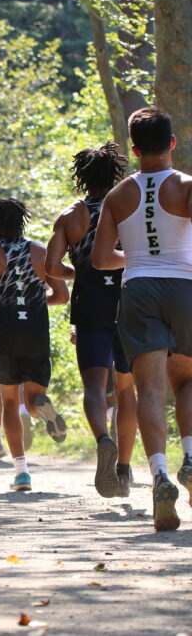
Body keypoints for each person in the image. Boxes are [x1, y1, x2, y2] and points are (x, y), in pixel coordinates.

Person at [92, 106, 192, 531]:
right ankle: (190, 458)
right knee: (186, 382)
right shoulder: (186, 186)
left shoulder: (117, 196)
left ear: (134, 149)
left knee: (149, 390)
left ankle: (159, 476)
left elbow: (100, 260)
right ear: (172, 143)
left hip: (137, 291)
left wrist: (137, 257)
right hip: (185, 288)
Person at [45, 143, 138, 498]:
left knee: (95, 387)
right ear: (115, 173)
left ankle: (103, 439)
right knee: (127, 389)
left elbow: (52, 268)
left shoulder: (70, 216)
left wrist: (80, 273)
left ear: (80, 176)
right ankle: (125, 471)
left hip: (90, 305)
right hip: (129, 301)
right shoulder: (128, 205)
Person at [0, 198, 69, 492]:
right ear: (22, 222)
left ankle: (22, 472)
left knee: (10, 403)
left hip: (5, 335)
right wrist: (35, 303)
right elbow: (61, 296)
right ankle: (43, 407)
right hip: (36, 332)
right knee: (32, 399)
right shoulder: (41, 252)